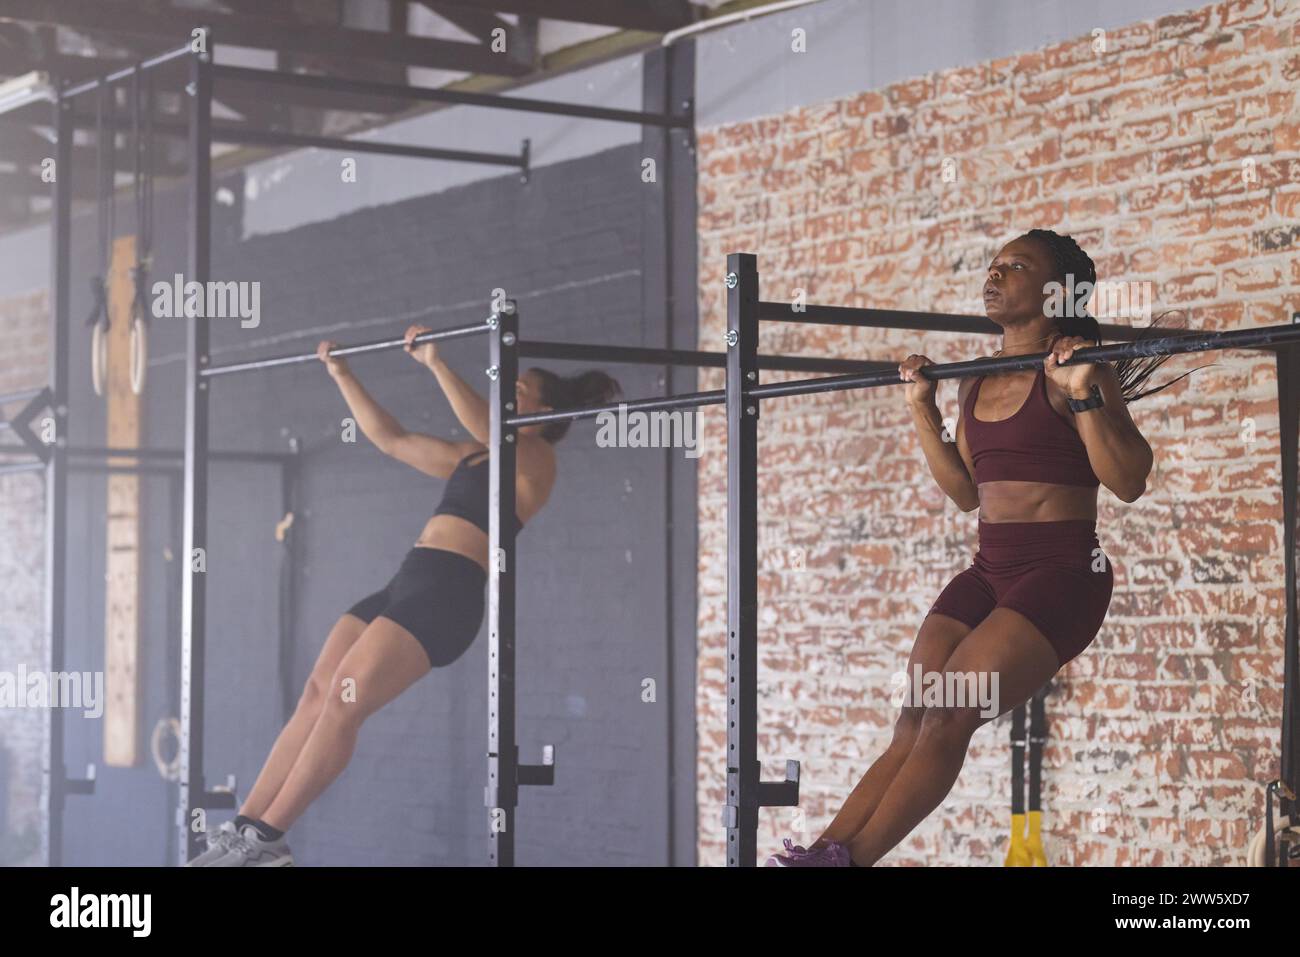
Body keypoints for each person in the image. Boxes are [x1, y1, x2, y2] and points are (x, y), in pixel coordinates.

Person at [769, 229, 1191, 867]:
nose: (995, 274)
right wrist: (921, 407)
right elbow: (966, 493)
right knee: (914, 717)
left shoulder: (1078, 369)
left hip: (1063, 574)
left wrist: (1082, 391)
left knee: (948, 718)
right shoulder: (975, 380)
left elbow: (1128, 480)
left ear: (1055, 293)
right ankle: (820, 858)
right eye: (994, 265)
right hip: (990, 570)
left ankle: (844, 864)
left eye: (1014, 265)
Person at [187, 324, 619, 866]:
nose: (506, 392)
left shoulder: (535, 463)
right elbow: (390, 438)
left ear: (541, 413)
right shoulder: (474, 456)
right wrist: (343, 374)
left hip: (447, 595)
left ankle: (268, 841)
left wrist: (436, 363)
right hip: (406, 583)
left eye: (519, 392)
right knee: (318, 695)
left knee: (345, 698)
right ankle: (247, 826)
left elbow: (495, 425)